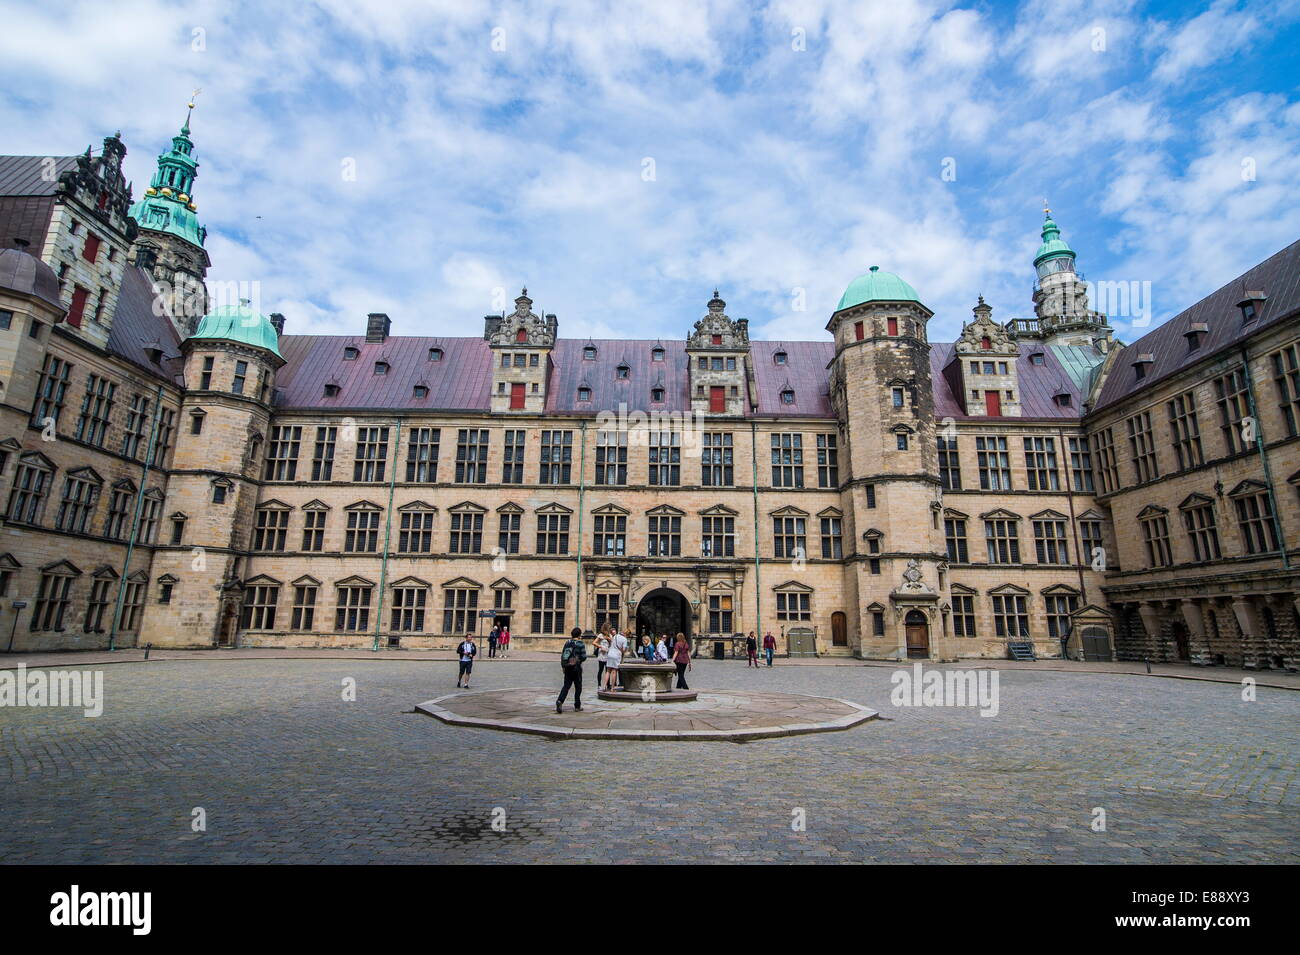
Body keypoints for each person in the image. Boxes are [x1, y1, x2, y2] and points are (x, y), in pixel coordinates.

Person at [556, 626, 587, 713]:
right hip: (576, 668)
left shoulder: (567, 643)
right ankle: (577, 706)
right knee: (578, 687)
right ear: (579, 635)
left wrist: (563, 666)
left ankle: (560, 701)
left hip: (568, 667)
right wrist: (579, 660)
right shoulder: (580, 644)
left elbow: (563, 655)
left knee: (566, 686)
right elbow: (584, 657)